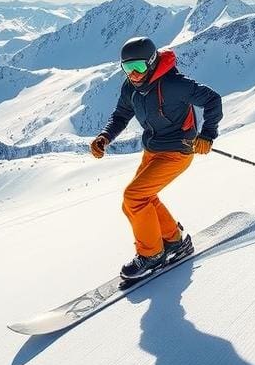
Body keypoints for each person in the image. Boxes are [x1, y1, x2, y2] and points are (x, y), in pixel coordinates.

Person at [90, 36, 223, 280]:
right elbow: (120, 115)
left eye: (139, 67)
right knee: (136, 200)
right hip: (153, 149)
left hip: (177, 152)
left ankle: (151, 255)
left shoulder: (174, 84)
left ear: (151, 63)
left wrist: (207, 135)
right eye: (127, 68)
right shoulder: (131, 87)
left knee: (135, 196)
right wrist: (105, 137)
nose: (134, 74)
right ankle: (174, 241)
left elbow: (213, 100)